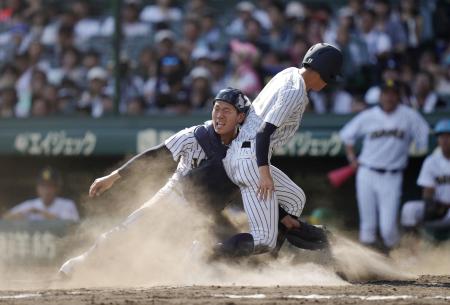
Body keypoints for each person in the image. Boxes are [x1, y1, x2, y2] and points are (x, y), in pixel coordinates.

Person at [58, 88, 251, 276]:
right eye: (217, 108)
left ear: (240, 117)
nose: (219, 115)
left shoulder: (246, 149)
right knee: (124, 234)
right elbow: (156, 154)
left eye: (227, 110)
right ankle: (81, 263)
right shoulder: (195, 136)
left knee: (191, 267)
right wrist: (112, 177)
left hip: (204, 213)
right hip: (174, 197)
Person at [220, 43, 343, 256]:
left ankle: (269, 261)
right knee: (263, 240)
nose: (329, 82)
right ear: (323, 72)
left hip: (244, 151)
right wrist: (264, 173)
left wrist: (281, 214)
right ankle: (208, 254)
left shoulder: (290, 73)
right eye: (330, 76)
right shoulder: (295, 91)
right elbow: (263, 133)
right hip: (250, 156)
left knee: (295, 199)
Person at [339, 79, 429, 254]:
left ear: (398, 96)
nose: (388, 97)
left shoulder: (409, 115)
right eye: (385, 93)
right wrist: (352, 158)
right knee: (368, 227)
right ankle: (369, 271)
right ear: (380, 96)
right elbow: (346, 136)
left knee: (388, 229)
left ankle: (398, 261)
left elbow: (425, 138)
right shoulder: (368, 115)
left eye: (392, 93)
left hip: (392, 175)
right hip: (367, 172)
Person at [401, 119, 450, 235]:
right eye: (441, 137)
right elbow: (428, 189)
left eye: (448, 136)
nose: (445, 140)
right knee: (409, 209)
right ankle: (412, 246)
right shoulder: (431, 161)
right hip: (439, 205)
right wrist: (430, 205)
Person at [3, 167, 79, 222]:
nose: (46, 190)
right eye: (43, 186)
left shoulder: (67, 204)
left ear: (57, 188)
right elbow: (5, 218)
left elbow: (71, 225)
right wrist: (24, 213)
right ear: (37, 188)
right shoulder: (31, 205)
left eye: (50, 185)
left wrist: (40, 212)